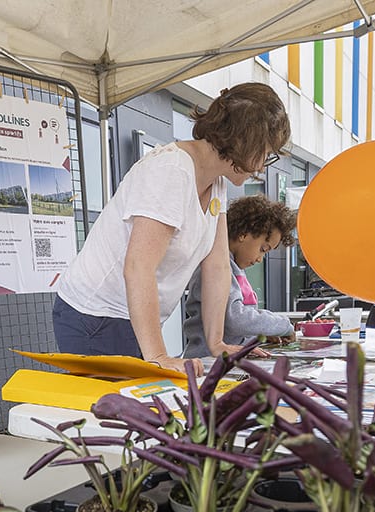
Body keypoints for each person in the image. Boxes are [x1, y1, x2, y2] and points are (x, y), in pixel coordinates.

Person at [53, 83, 291, 375]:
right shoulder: (171, 170)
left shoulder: (216, 182)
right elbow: (138, 266)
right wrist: (158, 355)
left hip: (129, 316)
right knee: (117, 411)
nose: (263, 167)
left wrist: (216, 342)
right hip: (95, 315)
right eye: (265, 153)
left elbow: (216, 266)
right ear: (246, 141)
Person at [182, 195, 297, 358]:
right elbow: (236, 319)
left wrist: (259, 333)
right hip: (207, 360)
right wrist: (284, 325)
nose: (260, 259)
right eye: (263, 249)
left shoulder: (234, 268)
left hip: (225, 358)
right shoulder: (216, 267)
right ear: (244, 234)